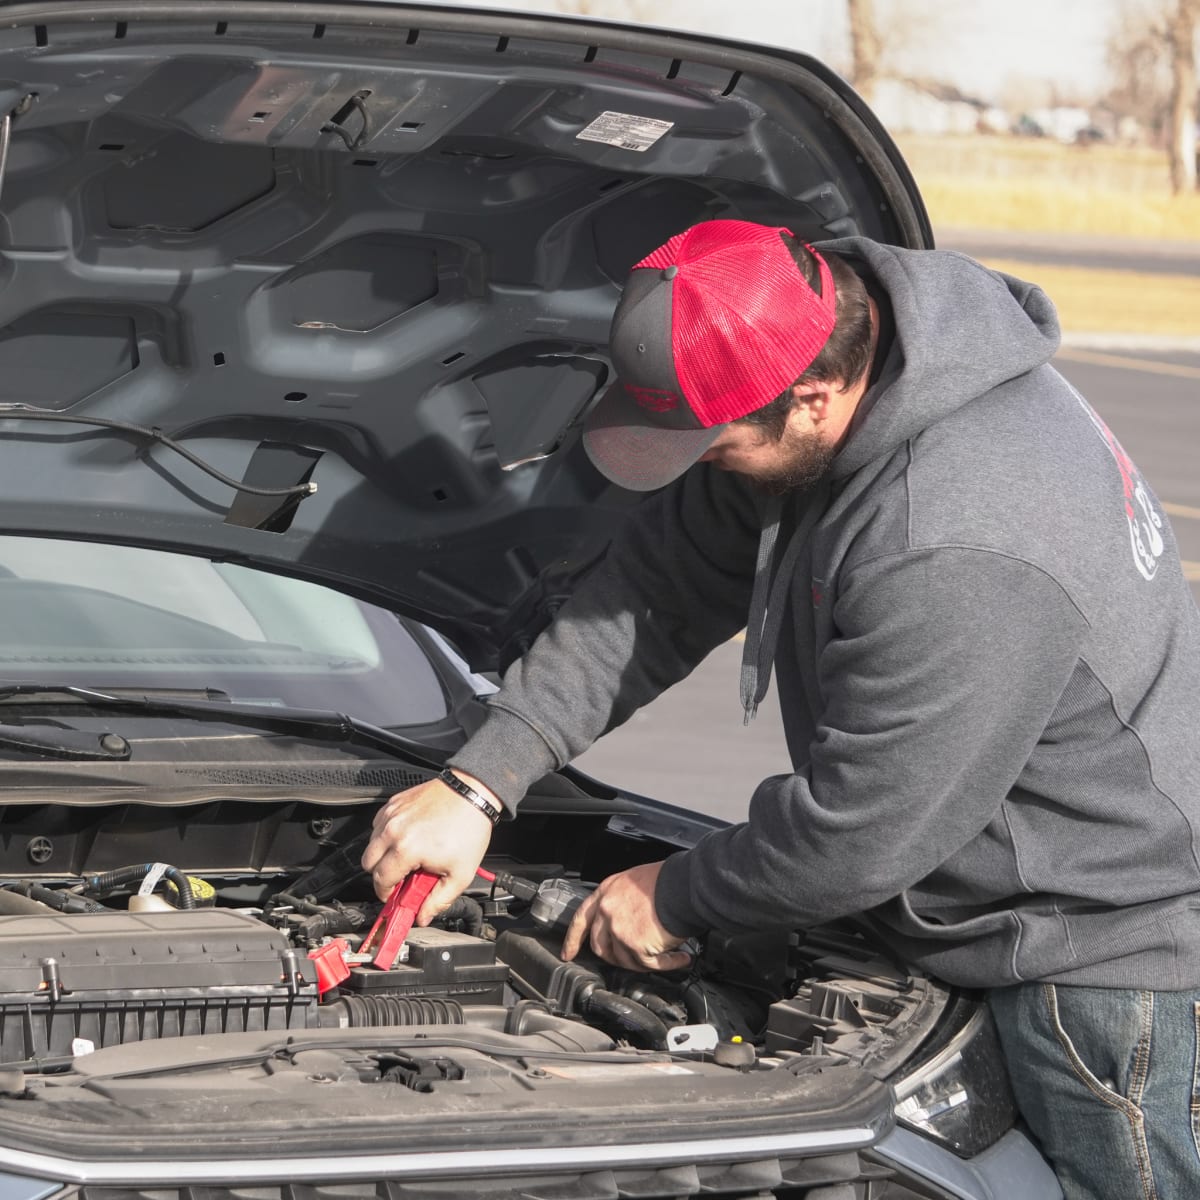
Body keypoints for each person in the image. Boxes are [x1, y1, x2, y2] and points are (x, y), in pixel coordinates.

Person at [362, 219, 1200, 1199]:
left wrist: (672, 895)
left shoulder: (960, 533)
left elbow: (863, 829)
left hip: (1099, 959)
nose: (699, 462)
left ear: (813, 398)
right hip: (967, 896)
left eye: (712, 441)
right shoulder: (832, 379)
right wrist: (482, 780)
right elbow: (660, 591)